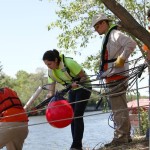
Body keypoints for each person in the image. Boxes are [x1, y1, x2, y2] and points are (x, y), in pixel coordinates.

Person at [91, 13, 136, 147]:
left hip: (117, 76)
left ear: (104, 23)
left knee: (118, 108)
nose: (96, 29)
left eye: (96, 26)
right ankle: (125, 136)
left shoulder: (114, 34)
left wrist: (122, 58)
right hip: (112, 76)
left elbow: (131, 43)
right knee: (120, 107)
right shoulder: (109, 36)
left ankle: (121, 137)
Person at [42, 49, 91, 150]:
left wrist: (77, 83)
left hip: (83, 87)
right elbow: (51, 90)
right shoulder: (51, 72)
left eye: (49, 64)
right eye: (46, 65)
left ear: (56, 60)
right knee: (72, 116)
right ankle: (76, 144)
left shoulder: (69, 63)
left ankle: (76, 145)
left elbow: (84, 77)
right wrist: (48, 96)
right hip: (72, 90)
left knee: (77, 114)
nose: (48, 67)